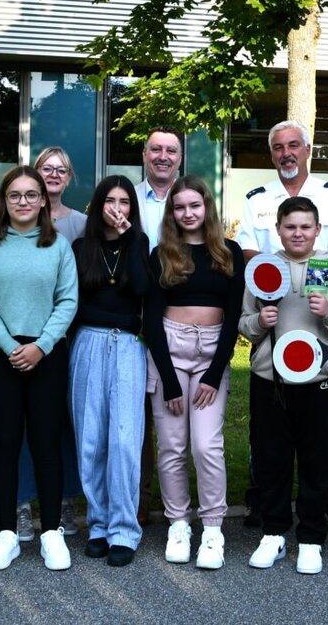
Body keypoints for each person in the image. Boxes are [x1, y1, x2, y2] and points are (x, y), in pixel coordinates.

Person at [235, 119, 328, 531]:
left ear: (308, 150)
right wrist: (273, 287)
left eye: (294, 145)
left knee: (323, 439)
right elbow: (252, 258)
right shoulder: (258, 199)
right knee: (269, 439)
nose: (286, 153)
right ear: (271, 153)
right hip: (274, 332)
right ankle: (266, 507)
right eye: (278, 147)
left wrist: (320, 290)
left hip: (318, 326)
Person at [0, 166, 79, 571]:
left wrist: (41, 346)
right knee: (5, 444)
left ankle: (51, 532)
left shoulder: (57, 246)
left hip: (47, 355)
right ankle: (7, 534)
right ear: (4, 199)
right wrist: (12, 346)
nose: (24, 202)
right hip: (1, 354)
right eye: (15, 195)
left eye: (31, 195)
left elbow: (68, 300)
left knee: (47, 443)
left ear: (42, 200)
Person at [144, 176, 245, 570]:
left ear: (207, 208)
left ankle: (213, 527)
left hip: (212, 351)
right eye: (180, 207)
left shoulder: (229, 252)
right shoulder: (161, 255)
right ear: (173, 213)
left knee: (206, 444)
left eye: (194, 206)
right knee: (171, 444)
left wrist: (215, 373)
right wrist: (168, 379)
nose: (188, 213)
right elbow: (150, 320)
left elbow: (235, 317)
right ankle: (178, 524)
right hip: (169, 349)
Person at [70, 175, 151, 567]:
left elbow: (139, 292)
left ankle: (124, 529)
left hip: (129, 350)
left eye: (125, 202)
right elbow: (76, 307)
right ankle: (98, 523)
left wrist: (132, 237)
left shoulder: (139, 244)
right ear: (98, 204)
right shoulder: (81, 247)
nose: (117, 209)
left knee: (123, 440)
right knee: (91, 439)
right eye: (110, 201)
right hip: (87, 344)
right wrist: (111, 317)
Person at [13, 146, 87, 541]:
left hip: (70, 337)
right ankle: (23, 502)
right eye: (47, 168)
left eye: (62, 169)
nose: (54, 174)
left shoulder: (82, 224)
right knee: (24, 421)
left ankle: (63, 500)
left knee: (63, 421)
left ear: (69, 177)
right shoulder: (17, 221)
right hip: (25, 338)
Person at [133, 126, 184, 526]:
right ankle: (137, 502)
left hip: (180, 319)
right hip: (132, 316)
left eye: (170, 150)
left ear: (179, 158)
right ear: (145, 155)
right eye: (156, 149)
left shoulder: (191, 201)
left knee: (174, 413)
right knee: (135, 417)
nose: (163, 156)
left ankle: (178, 506)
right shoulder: (126, 198)